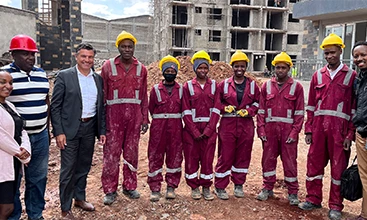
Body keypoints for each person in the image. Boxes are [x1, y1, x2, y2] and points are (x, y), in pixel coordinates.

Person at [298, 33, 357, 220]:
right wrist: (308, 129)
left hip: (339, 132)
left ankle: (335, 206)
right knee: (313, 165)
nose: (329, 56)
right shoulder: (318, 76)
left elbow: (354, 108)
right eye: (326, 53)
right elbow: (311, 105)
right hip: (318, 130)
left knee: (338, 169)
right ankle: (313, 198)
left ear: (341, 51)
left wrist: (350, 134)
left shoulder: (351, 76)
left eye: (333, 52)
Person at [50, 43, 106, 219]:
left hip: (89, 128)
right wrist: (58, 132)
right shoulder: (65, 76)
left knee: (83, 166)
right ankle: (65, 208)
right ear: (76, 57)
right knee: (68, 170)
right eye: (83, 56)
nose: (87, 60)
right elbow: (55, 106)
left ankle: (79, 198)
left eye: (90, 57)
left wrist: (102, 130)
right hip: (69, 130)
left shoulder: (97, 79)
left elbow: (100, 107)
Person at [1, 34, 50, 220]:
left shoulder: (40, 73)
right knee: (13, 180)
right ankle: (13, 216)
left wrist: (48, 128)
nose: (30, 58)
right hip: (13, 141)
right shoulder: (5, 76)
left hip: (40, 135)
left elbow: (46, 102)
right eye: (24, 54)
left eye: (32, 54)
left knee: (38, 179)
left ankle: (35, 214)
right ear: (13, 55)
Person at [101, 30, 149, 204]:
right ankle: (109, 189)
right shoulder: (108, 67)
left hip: (134, 118)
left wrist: (145, 118)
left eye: (130, 46)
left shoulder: (142, 69)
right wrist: (102, 122)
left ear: (134, 48)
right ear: (118, 47)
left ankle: (129, 186)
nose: (127, 49)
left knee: (131, 152)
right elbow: (102, 95)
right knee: (111, 154)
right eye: (124, 46)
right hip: (113, 118)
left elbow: (144, 95)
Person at [256, 52, 304, 205]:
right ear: (274, 68)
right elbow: (261, 110)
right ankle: (267, 188)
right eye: (278, 67)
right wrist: (261, 130)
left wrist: (295, 132)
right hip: (270, 132)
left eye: (284, 67)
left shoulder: (297, 87)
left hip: (288, 132)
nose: (280, 70)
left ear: (289, 68)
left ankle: (293, 193)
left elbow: (299, 113)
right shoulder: (266, 86)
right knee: (268, 161)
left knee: (290, 162)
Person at [214, 50, 260, 200]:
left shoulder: (253, 85)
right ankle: (220, 186)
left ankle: (238, 184)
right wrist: (223, 108)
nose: (239, 69)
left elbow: (259, 103)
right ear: (232, 67)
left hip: (246, 126)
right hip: (227, 125)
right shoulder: (224, 85)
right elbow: (216, 103)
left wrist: (249, 111)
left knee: (243, 155)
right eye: (236, 66)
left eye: (242, 66)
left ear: (246, 66)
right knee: (225, 155)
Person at [182, 50, 221, 201]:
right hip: (192, 132)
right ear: (195, 69)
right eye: (200, 68)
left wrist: (210, 129)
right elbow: (185, 110)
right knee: (191, 158)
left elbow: (217, 108)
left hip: (208, 131)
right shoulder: (187, 86)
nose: (203, 71)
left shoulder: (214, 86)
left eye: (205, 68)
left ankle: (206, 187)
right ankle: (194, 187)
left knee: (207, 159)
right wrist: (193, 131)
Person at [147, 55, 183, 202]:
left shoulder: (181, 89)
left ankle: (171, 187)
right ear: (162, 71)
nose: (170, 72)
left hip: (175, 128)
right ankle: (155, 188)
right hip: (158, 128)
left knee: (174, 156)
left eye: (172, 70)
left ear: (176, 72)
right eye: (167, 70)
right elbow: (151, 108)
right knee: (155, 156)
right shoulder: (155, 90)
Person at [0, 71, 31, 220]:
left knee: (9, 201)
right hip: (3, 162)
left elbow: (21, 129)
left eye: (10, 83)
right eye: (2, 82)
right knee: (6, 208)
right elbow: (1, 137)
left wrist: (26, 148)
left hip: (13, 162)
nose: (8, 86)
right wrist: (21, 154)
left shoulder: (9, 105)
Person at [351, 41, 367, 220]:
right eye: (356, 56)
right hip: (362, 132)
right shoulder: (360, 78)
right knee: (364, 175)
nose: (359, 59)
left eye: (363, 55)